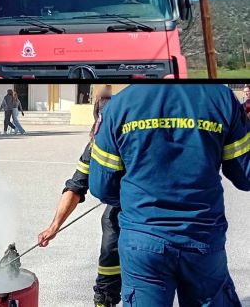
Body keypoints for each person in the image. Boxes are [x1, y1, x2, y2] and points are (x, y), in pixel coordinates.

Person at [89, 83, 250, 307]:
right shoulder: (221, 97)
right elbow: (245, 176)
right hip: (202, 239)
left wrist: (137, 197)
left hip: (143, 241)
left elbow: (100, 186)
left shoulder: (120, 104)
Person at [39, 102, 120, 307]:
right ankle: (105, 297)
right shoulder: (96, 144)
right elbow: (76, 185)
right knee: (105, 289)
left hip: (144, 220)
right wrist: (54, 227)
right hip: (118, 219)